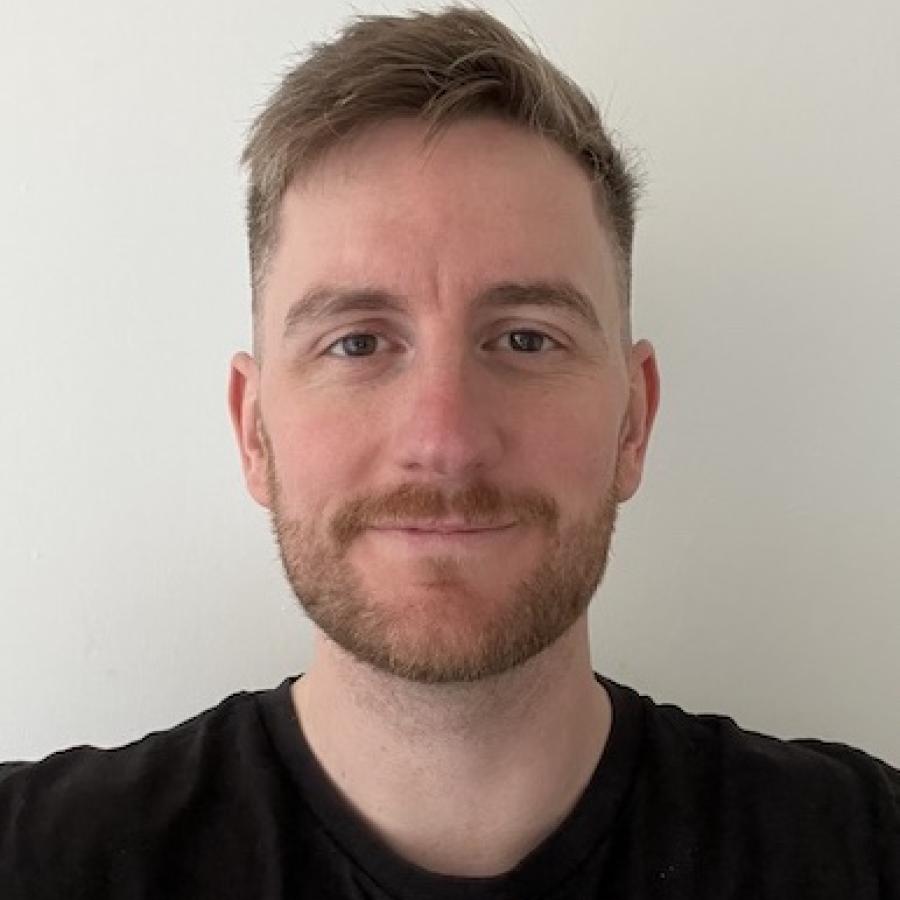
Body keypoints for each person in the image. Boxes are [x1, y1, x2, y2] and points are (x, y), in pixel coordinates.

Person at [1, 6, 897, 898]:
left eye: (525, 339)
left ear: (634, 422)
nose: (445, 442)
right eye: (356, 343)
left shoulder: (862, 851)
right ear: (254, 430)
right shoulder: (36, 857)